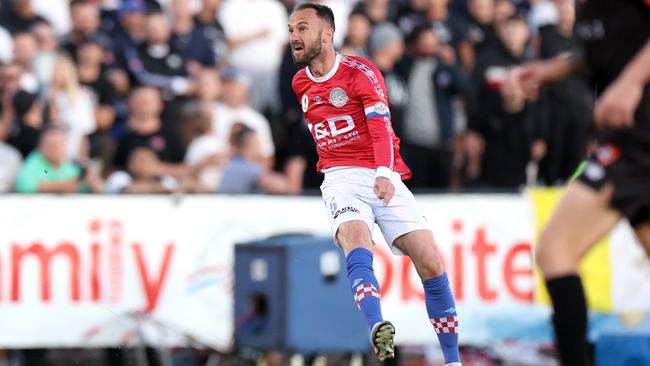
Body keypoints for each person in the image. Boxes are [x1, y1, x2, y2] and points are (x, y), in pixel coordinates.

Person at [288, 4, 461, 365]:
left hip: (382, 171)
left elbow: (381, 126)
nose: (294, 36)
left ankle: (453, 359)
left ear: (327, 33)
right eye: (291, 29)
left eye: (302, 28)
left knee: (430, 260)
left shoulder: (361, 72)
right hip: (338, 178)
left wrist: (384, 171)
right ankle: (376, 326)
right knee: (356, 241)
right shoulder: (299, 83)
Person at [505, 1, 650, 365]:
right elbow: (610, 47)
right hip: (628, 142)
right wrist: (556, 68)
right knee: (556, 251)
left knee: (556, 250)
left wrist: (631, 83)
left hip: (639, 140)